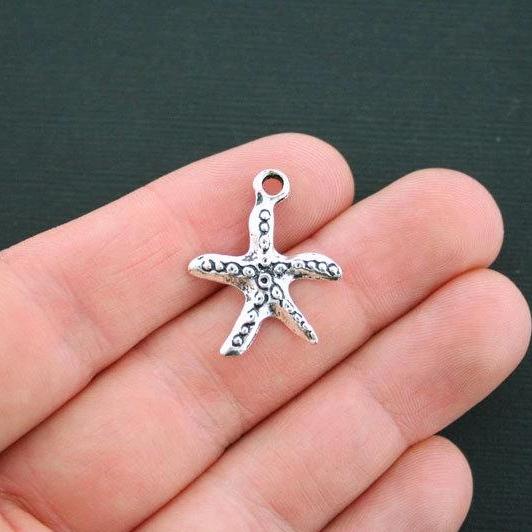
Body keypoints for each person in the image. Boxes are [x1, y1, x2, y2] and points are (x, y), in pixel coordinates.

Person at [0, 133, 529, 531]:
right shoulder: (257, 260)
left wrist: (291, 279)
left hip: (268, 277)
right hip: (264, 277)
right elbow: (233, 264)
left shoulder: (274, 261)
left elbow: (265, 265)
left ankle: (261, 327)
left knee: (276, 300)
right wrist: (279, 282)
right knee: (274, 300)